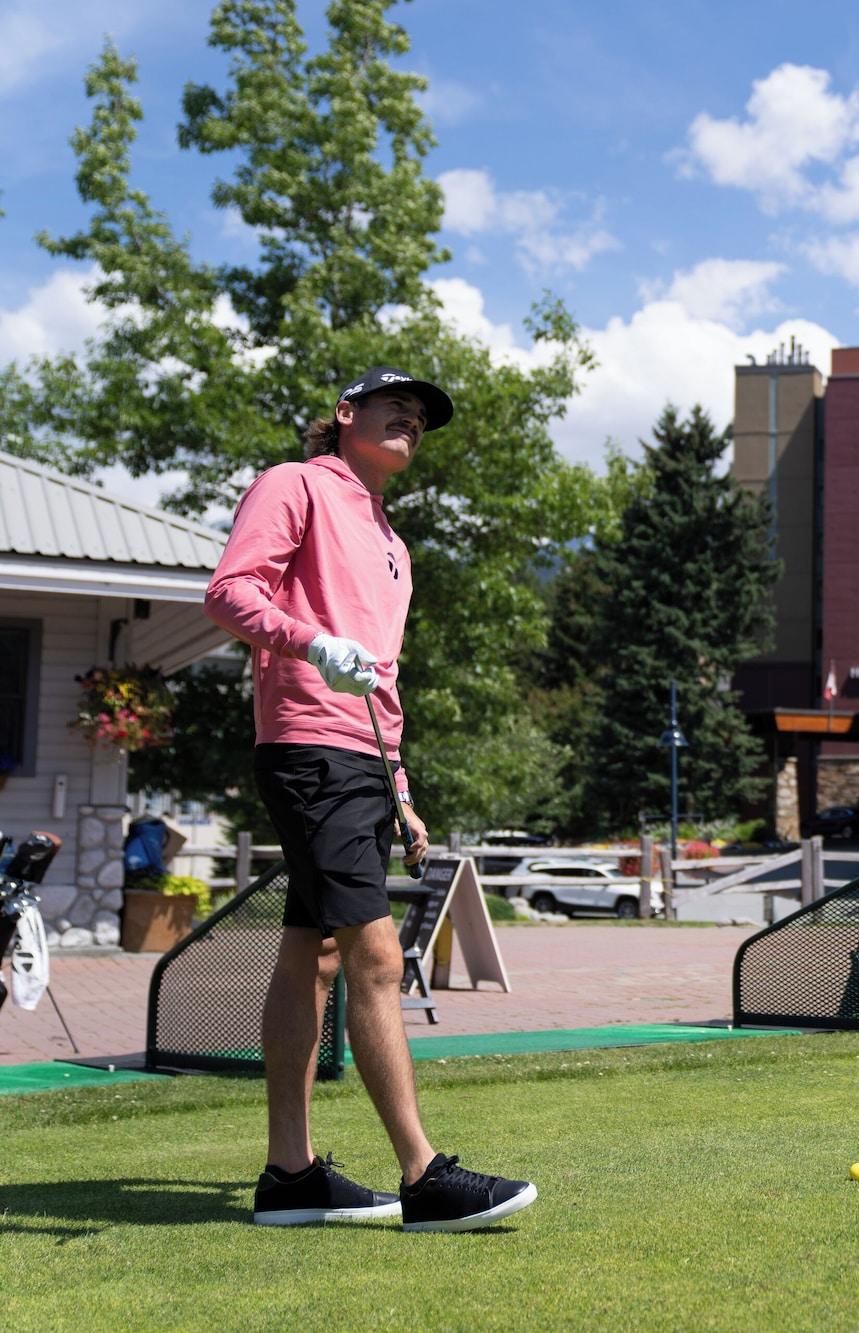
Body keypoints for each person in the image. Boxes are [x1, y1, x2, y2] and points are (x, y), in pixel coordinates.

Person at [206, 366, 538, 1231]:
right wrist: (311, 642)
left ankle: (291, 1177)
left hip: (359, 759)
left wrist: (400, 787)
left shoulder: (394, 543)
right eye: (398, 407)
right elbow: (230, 591)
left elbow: (382, 678)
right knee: (378, 957)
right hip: (308, 745)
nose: (413, 422)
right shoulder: (296, 486)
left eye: (423, 419)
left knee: (310, 955)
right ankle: (423, 1176)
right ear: (347, 415)